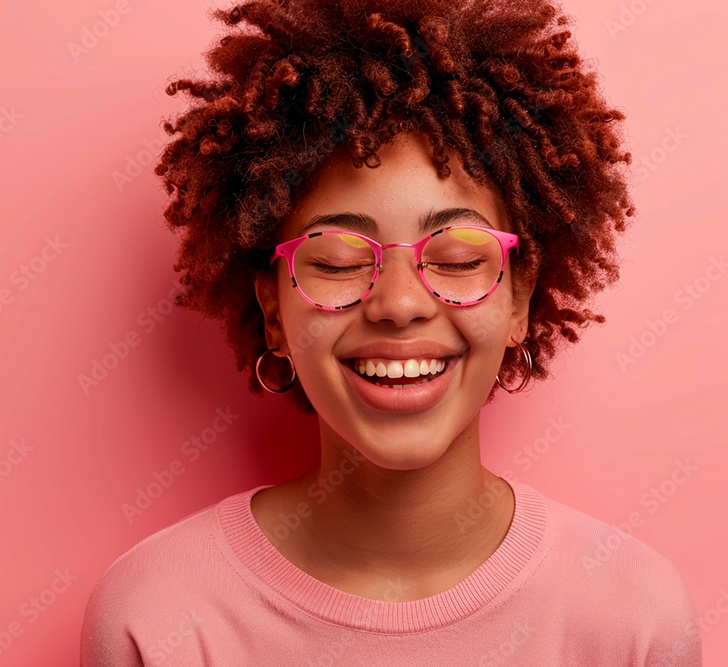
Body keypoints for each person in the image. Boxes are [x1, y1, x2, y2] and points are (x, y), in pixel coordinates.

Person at [81, 0, 703, 664]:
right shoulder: (155, 617)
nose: (399, 303)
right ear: (273, 309)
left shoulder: (633, 620)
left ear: (521, 294)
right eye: (338, 260)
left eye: (459, 257)